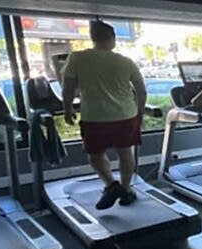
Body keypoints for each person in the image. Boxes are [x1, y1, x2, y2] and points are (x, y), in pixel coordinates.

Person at [61, 20, 146, 209]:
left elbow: (68, 86)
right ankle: (126, 189)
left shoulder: (77, 58)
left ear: (93, 38)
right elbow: (141, 90)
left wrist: (68, 108)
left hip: (94, 116)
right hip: (125, 114)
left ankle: (111, 184)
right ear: (113, 39)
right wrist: (140, 112)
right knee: (125, 152)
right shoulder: (125, 61)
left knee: (95, 155)